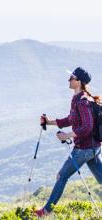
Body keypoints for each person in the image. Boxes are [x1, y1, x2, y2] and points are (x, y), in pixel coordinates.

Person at [35, 67, 102, 217]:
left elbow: (87, 126)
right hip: (94, 147)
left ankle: (45, 212)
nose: (68, 80)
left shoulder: (82, 102)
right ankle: (46, 211)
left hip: (83, 149)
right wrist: (48, 122)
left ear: (78, 82)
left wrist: (67, 136)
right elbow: (70, 119)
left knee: (61, 176)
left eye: (71, 77)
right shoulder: (79, 99)